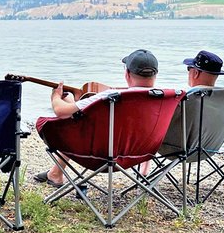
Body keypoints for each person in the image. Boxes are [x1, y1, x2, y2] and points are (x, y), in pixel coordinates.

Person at [33, 49, 159, 188]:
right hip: (142, 152)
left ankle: (56, 173)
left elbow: (61, 112)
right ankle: (55, 173)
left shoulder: (111, 96)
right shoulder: (164, 98)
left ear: (127, 73)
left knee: (74, 124)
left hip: (101, 155)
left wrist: (57, 95)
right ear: (156, 74)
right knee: (82, 119)